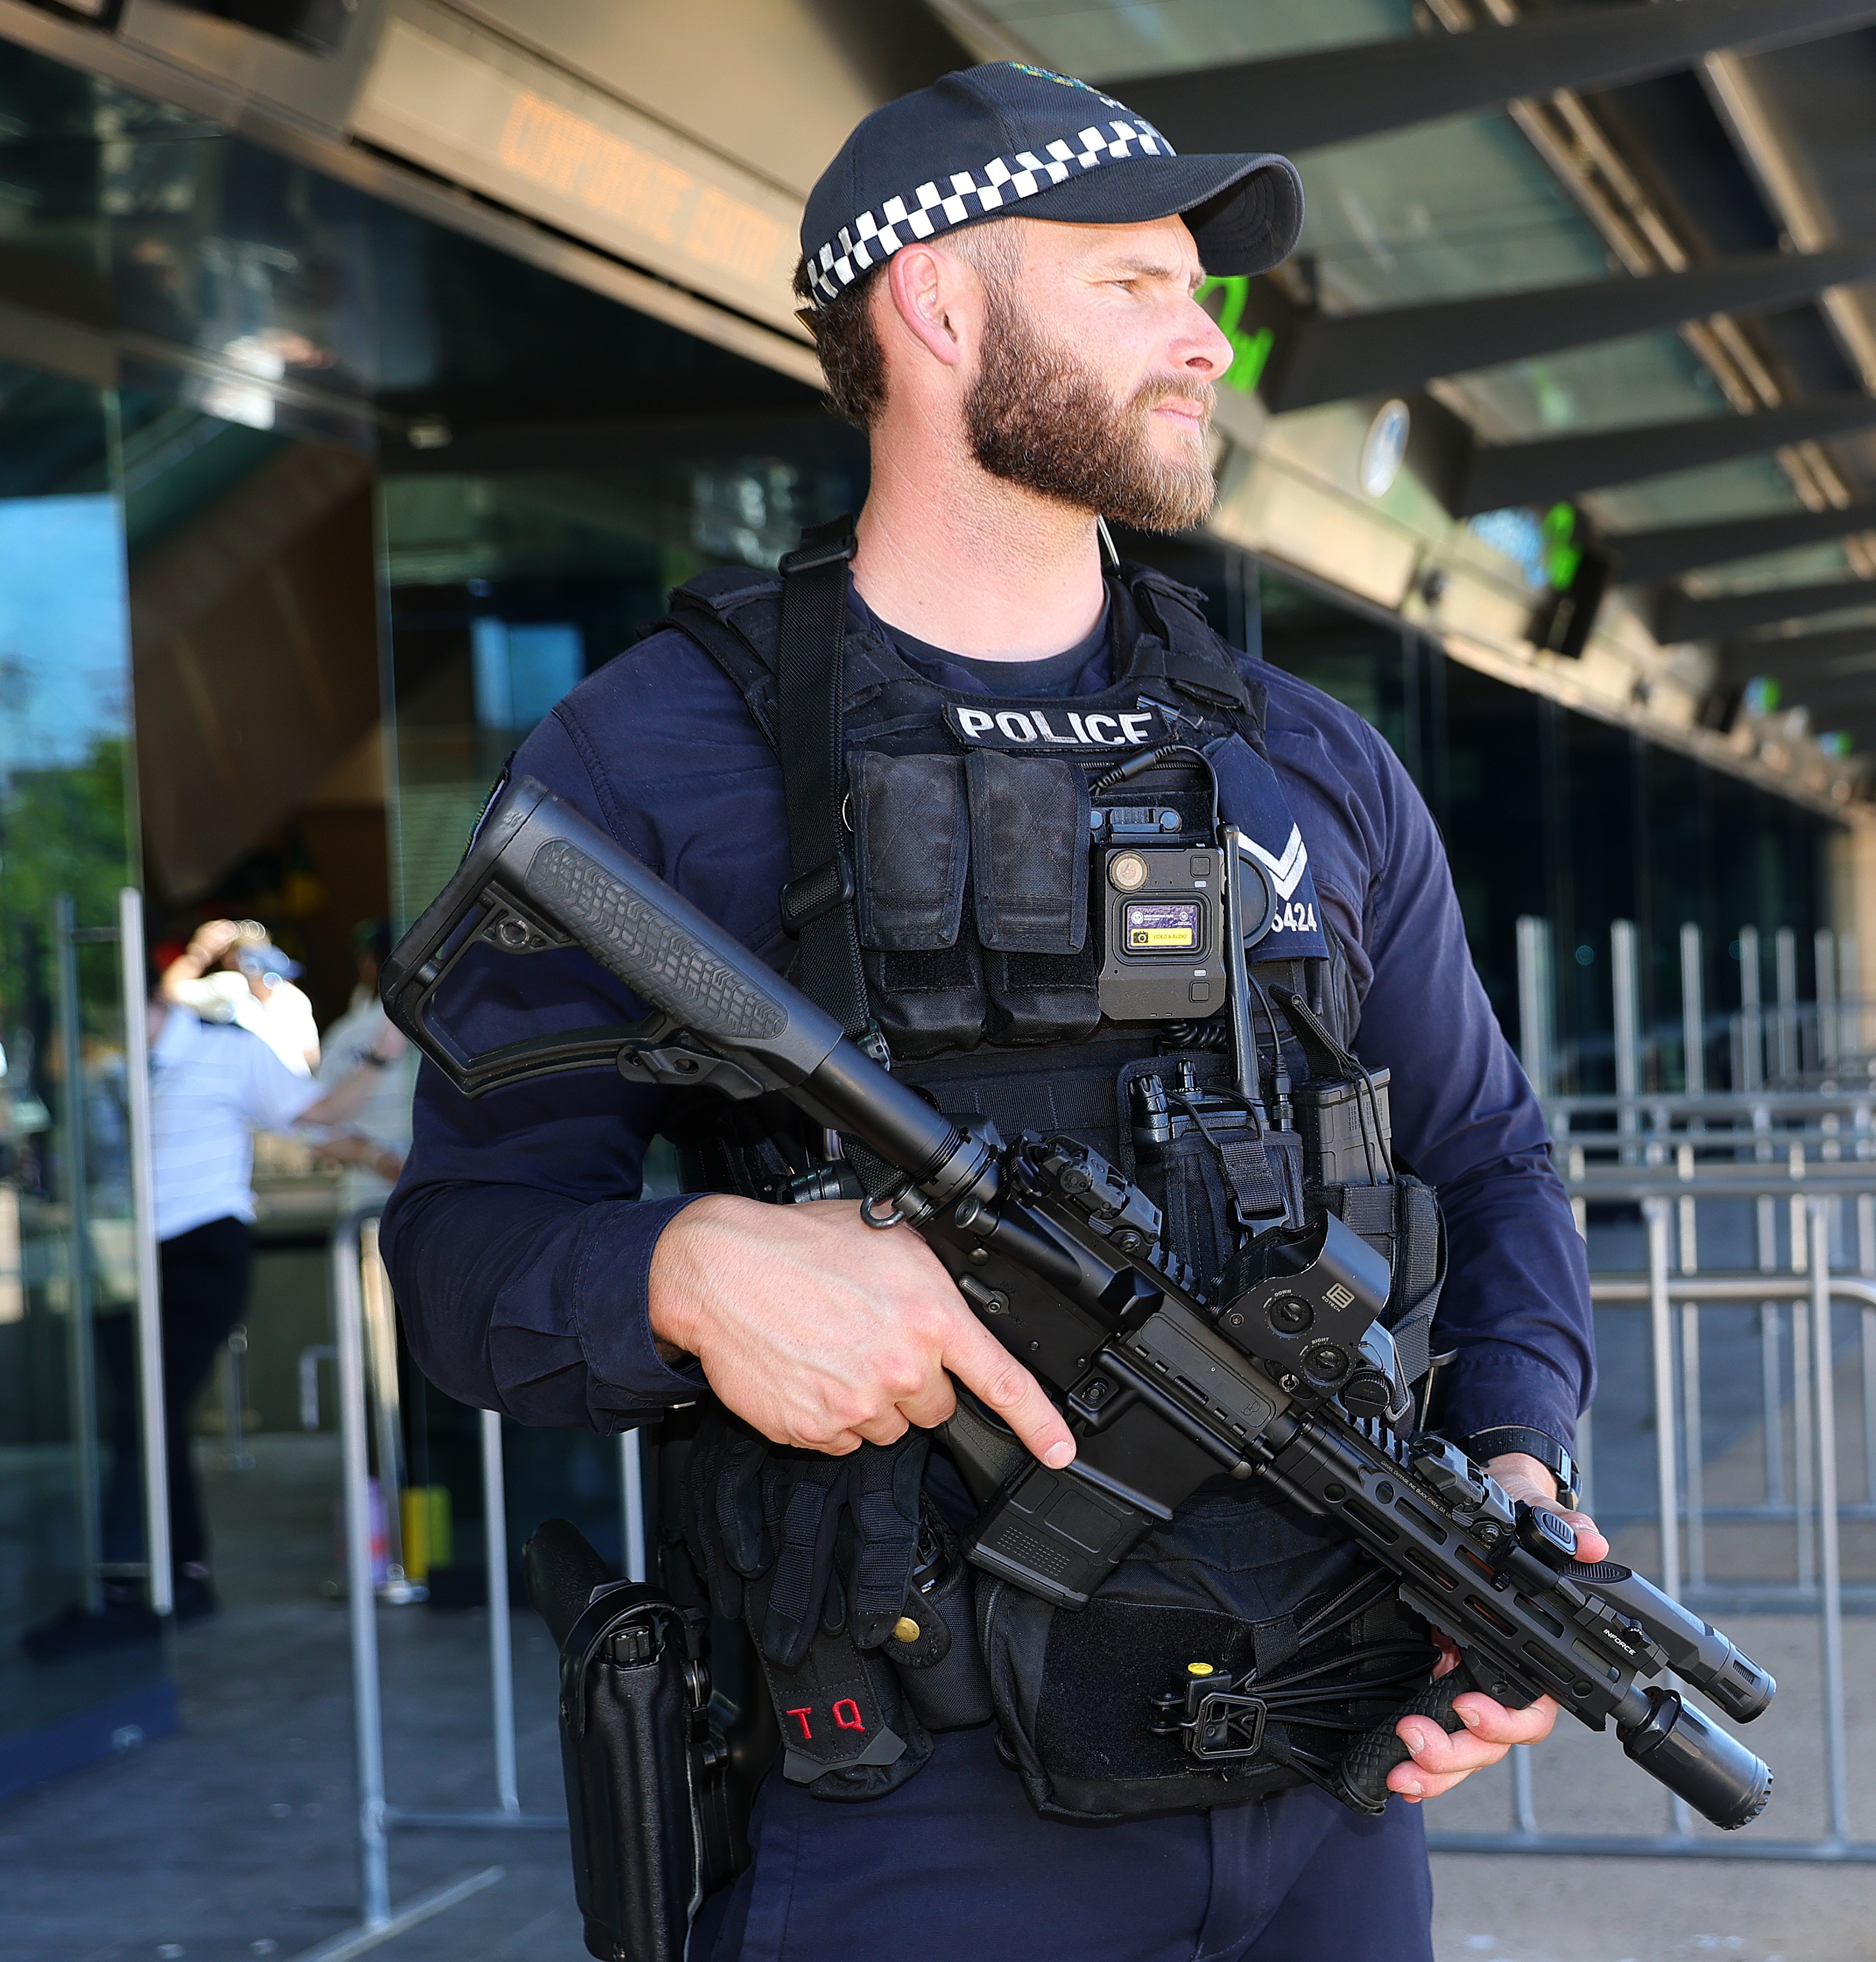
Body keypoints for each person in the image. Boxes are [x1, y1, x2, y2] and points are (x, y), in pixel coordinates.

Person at [383, 62, 1598, 1962]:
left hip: (1327, 1774)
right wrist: (683, 1270)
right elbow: (458, 1252)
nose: (1207, 339)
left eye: (1199, 290)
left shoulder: (1307, 762)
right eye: (1133, 284)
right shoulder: (655, 756)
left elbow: (1486, 1155)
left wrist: (1512, 1476)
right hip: (906, 1816)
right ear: (939, 306)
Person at [23, 946, 402, 1653]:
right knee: (144, 1417)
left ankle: (141, 1579)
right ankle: (176, 1574)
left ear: (153, 1000)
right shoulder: (110, 1067)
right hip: (126, 1257)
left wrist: (382, 1054)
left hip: (202, 1251)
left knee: (146, 1412)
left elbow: (316, 1113)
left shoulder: (229, 1049)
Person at [307, 919, 416, 1202]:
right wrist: (381, 1161)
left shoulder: (349, 1034)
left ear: (368, 962)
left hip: (373, 1201)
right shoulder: (464, 1026)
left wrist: (376, 1158)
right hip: (390, 1199)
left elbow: (314, 1129)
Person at [160, 918, 321, 1074]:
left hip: (259, 1087)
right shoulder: (294, 995)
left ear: (231, 959)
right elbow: (312, 1057)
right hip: (295, 1086)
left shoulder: (232, 985)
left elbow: (170, 992)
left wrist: (200, 952)